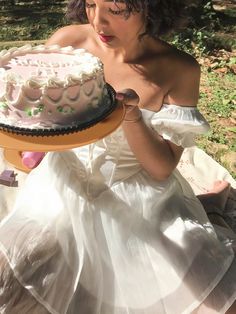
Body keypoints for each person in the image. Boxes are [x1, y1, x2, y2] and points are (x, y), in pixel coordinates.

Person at [0, 0, 235, 313]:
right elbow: (35, 116)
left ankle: (213, 207)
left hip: (142, 200)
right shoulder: (69, 41)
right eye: (91, 4)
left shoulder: (178, 68)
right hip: (61, 188)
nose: (99, 22)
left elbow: (161, 168)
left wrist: (132, 117)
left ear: (152, 8)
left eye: (117, 9)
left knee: (213, 299)